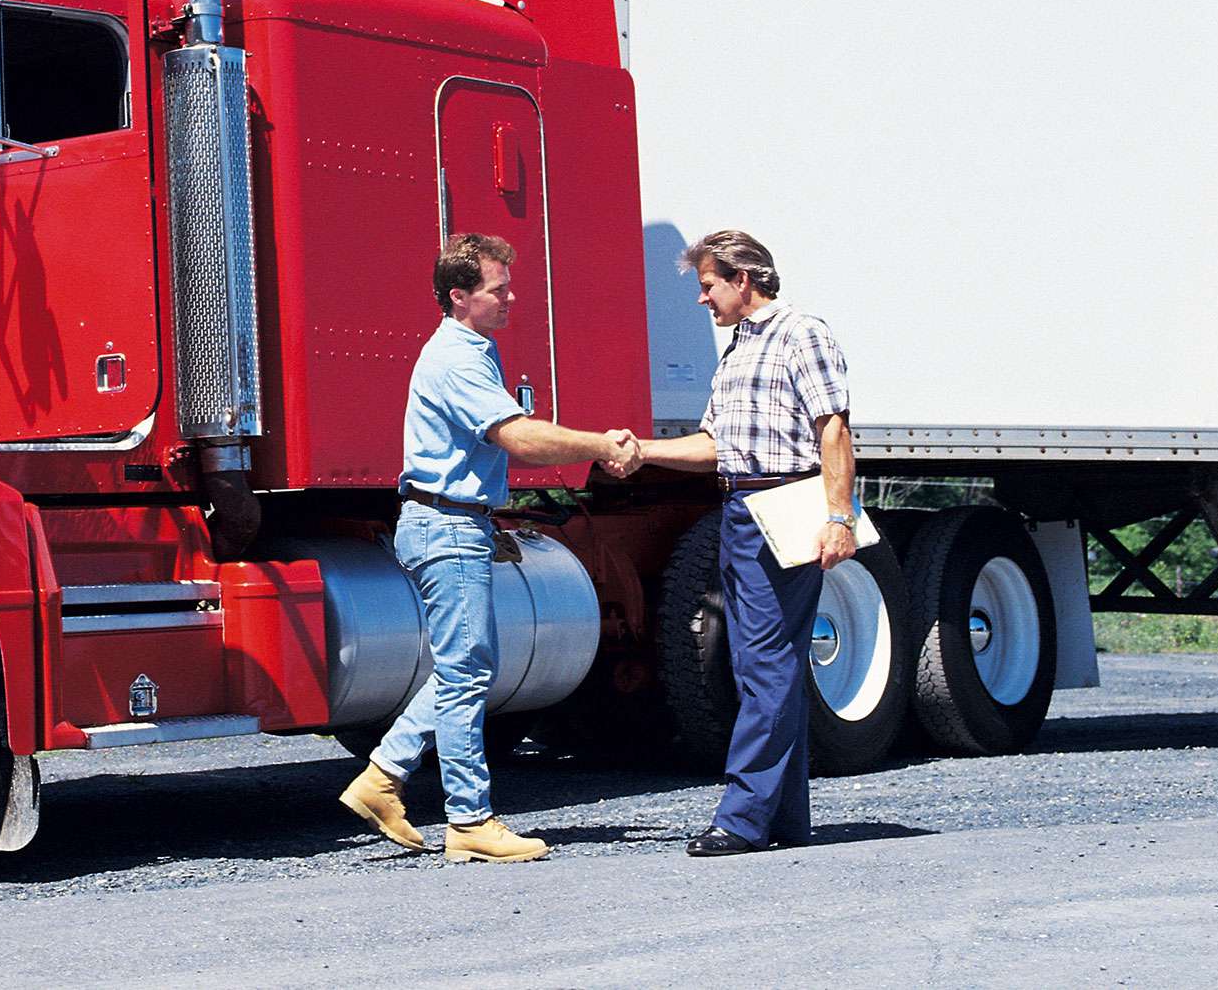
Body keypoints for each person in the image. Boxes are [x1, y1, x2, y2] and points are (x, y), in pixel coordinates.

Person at [339, 233, 638, 864]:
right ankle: (469, 820)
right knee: (469, 670)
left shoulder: (473, 350)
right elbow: (518, 438)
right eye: (498, 289)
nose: (510, 299)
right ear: (459, 295)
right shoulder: (457, 359)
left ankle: (383, 777)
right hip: (445, 524)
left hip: (453, 520)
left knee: (465, 666)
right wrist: (601, 445)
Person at [622, 229, 855, 856]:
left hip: (785, 504)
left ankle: (743, 816)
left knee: (766, 664)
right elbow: (715, 446)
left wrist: (839, 517)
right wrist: (642, 452)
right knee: (761, 665)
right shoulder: (739, 351)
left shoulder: (802, 333)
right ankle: (784, 818)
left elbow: (832, 429)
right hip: (741, 507)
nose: (702, 299)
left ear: (741, 279)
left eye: (707, 285)